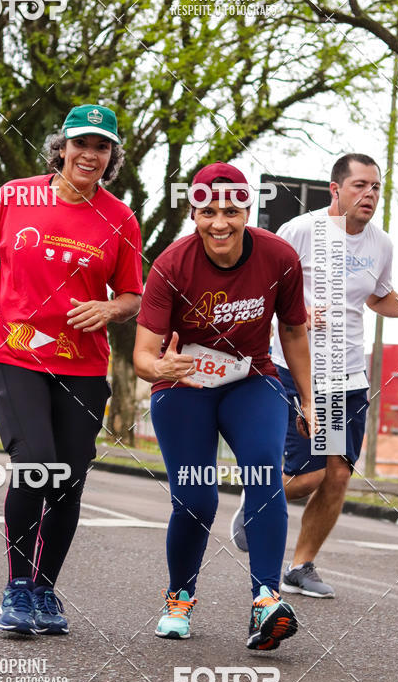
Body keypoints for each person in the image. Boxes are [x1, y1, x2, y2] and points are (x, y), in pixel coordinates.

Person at [0, 104, 142, 636]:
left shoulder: (120, 217)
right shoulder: (14, 195)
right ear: (61, 147)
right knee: (36, 462)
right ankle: (17, 587)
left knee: (69, 482)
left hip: (82, 364)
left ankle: (45, 590)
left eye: (102, 147)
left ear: (111, 158)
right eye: (81, 144)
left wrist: (108, 309)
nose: (90, 155)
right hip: (15, 350)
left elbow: (132, 293)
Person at [133, 162, 312, 649]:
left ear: (246, 210)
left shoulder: (278, 257)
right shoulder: (171, 264)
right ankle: (179, 598)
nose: (220, 222)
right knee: (197, 496)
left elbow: (293, 331)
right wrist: (161, 370)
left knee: (262, 472)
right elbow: (143, 356)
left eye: (231, 210)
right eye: (208, 210)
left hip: (251, 379)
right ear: (193, 213)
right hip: (185, 383)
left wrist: (309, 398)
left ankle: (266, 602)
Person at [232, 152, 398, 598]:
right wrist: (296, 313)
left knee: (337, 474)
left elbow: (378, 298)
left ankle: (300, 567)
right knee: (310, 474)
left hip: (347, 375)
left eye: (375, 187)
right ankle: (256, 495)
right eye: (359, 185)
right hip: (297, 370)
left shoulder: (381, 244)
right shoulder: (299, 231)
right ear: (335, 189)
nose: (369, 194)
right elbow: (262, 287)